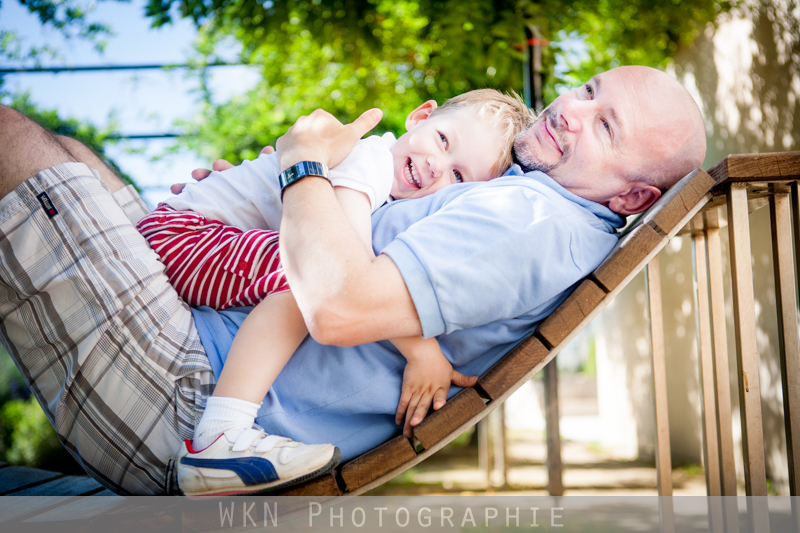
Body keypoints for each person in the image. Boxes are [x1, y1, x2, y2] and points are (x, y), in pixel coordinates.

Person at [0, 65, 706, 495]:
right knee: (69, 155)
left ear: (632, 196)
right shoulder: (527, 197)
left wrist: (301, 165)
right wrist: (250, 200)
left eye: (605, 127)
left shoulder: (533, 221)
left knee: (14, 141)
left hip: (190, 393)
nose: (570, 111)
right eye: (588, 90)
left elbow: (332, 302)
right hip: (197, 340)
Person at [136, 89, 533, 497]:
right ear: (419, 117)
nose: (437, 166)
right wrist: (422, 350)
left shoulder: (385, 189)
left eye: (459, 176)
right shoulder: (370, 160)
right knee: (311, 274)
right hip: (182, 234)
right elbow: (344, 274)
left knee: (311, 270)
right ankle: (220, 433)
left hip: (195, 244)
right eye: (443, 140)